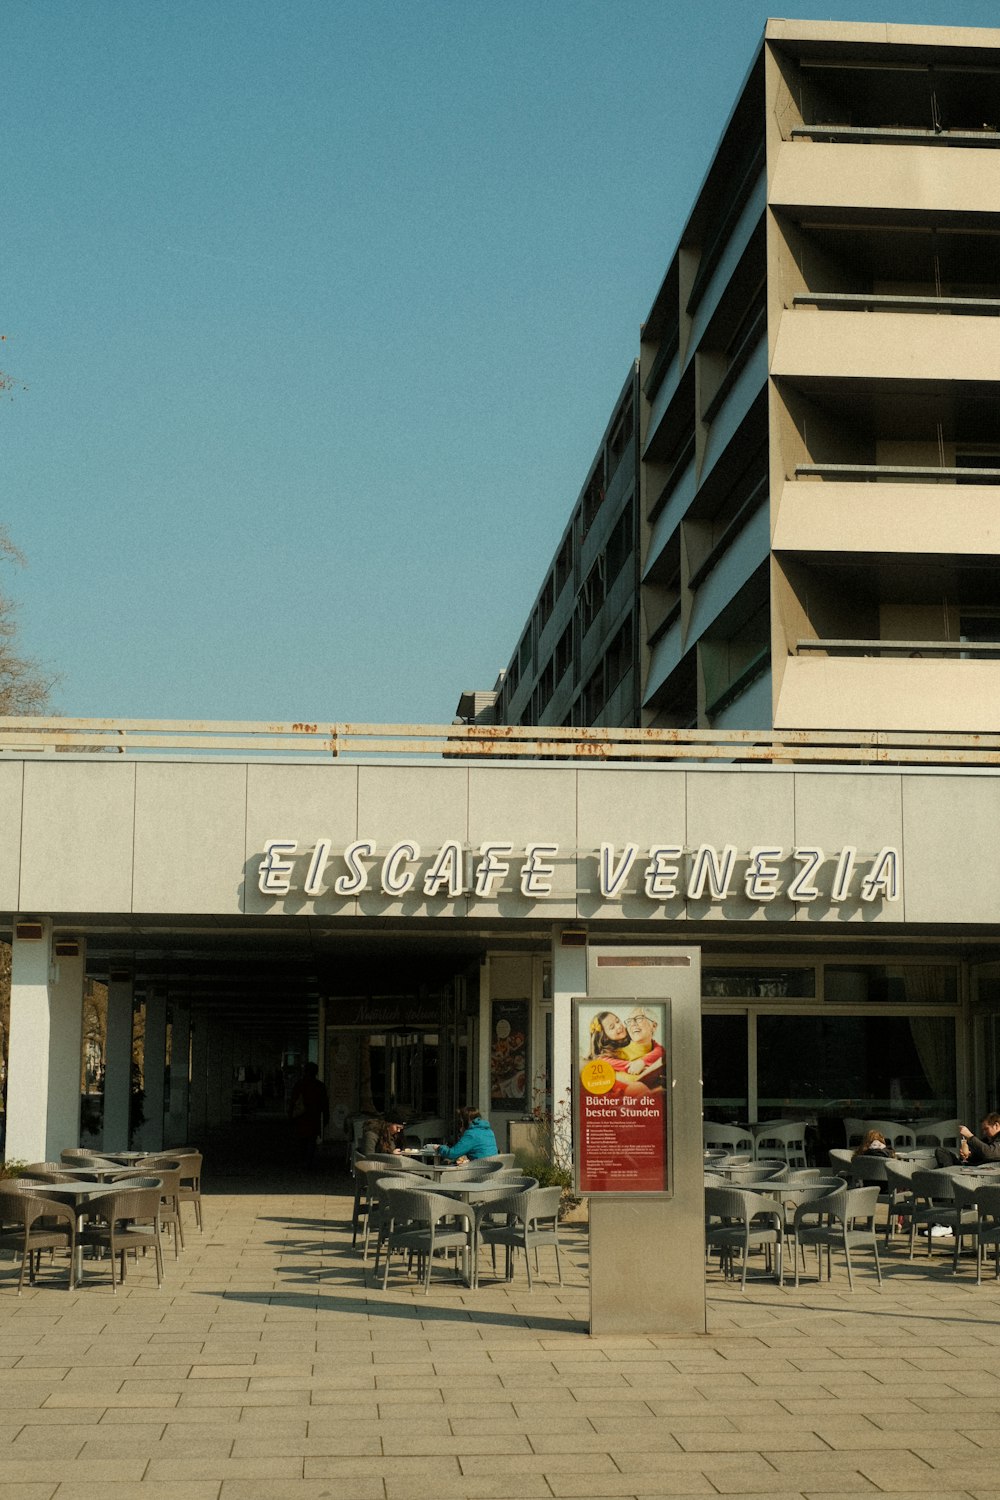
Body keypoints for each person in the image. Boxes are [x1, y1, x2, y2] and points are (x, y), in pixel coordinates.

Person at [587, 1009, 653, 1097]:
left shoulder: (632, 1034)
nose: (619, 1026)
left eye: (617, 1021)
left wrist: (643, 1061)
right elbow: (629, 1067)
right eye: (612, 1027)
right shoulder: (604, 1057)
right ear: (604, 1037)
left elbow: (656, 1047)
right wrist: (635, 1065)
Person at [288, 1061, 329, 1169]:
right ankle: (309, 1161)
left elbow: (293, 1101)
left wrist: (290, 1115)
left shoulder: (299, 1084)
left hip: (301, 1117)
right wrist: (325, 1117)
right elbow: (324, 1103)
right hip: (314, 1116)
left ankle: (303, 1159)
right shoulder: (320, 1086)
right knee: (311, 1139)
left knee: (302, 1140)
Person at [621, 1006, 665, 1090]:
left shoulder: (662, 1055)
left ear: (654, 1026)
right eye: (629, 1021)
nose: (633, 1024)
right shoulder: (615, 1053)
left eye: (639, 1018)